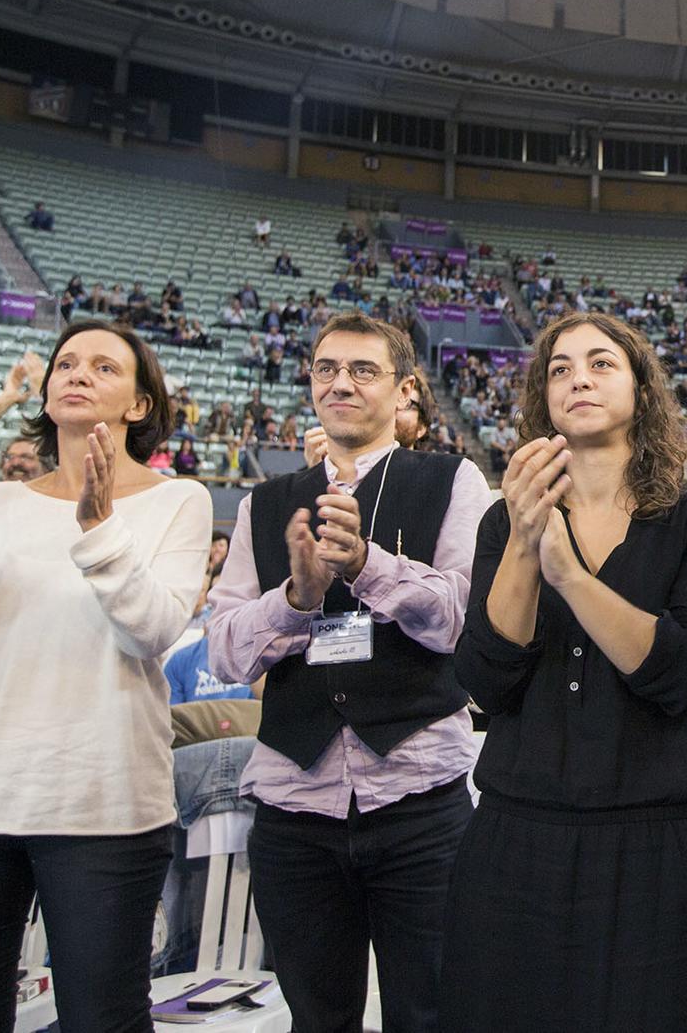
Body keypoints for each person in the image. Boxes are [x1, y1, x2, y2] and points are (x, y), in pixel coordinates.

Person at [444, 313, 687, 1033]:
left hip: (659, 850)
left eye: (601, 363)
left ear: (642, 391)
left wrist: (572, 578)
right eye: (560, 369)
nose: (578, 378)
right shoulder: (504, 523)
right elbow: (486, 680)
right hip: (517, 843)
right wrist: (526, 542)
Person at [0, 318, 211, 1033]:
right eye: (67, 363)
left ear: (139, 405)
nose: (78, 373)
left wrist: (100, 525)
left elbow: (151, 630)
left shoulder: (179, 500)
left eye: (104, 367)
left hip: (101, 801)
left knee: (102, 1018)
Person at [208, 312, 489, 1033]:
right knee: (316, 1016)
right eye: (327, 369)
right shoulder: (266, 502)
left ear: (404, 390)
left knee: (432, 1014)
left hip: (419, 797)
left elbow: (461, 619)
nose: (342, 383)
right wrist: (295, 599)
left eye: (364, 370)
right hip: (294, 804)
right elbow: (225, 652)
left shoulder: (451, 479)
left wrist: (367, 566)